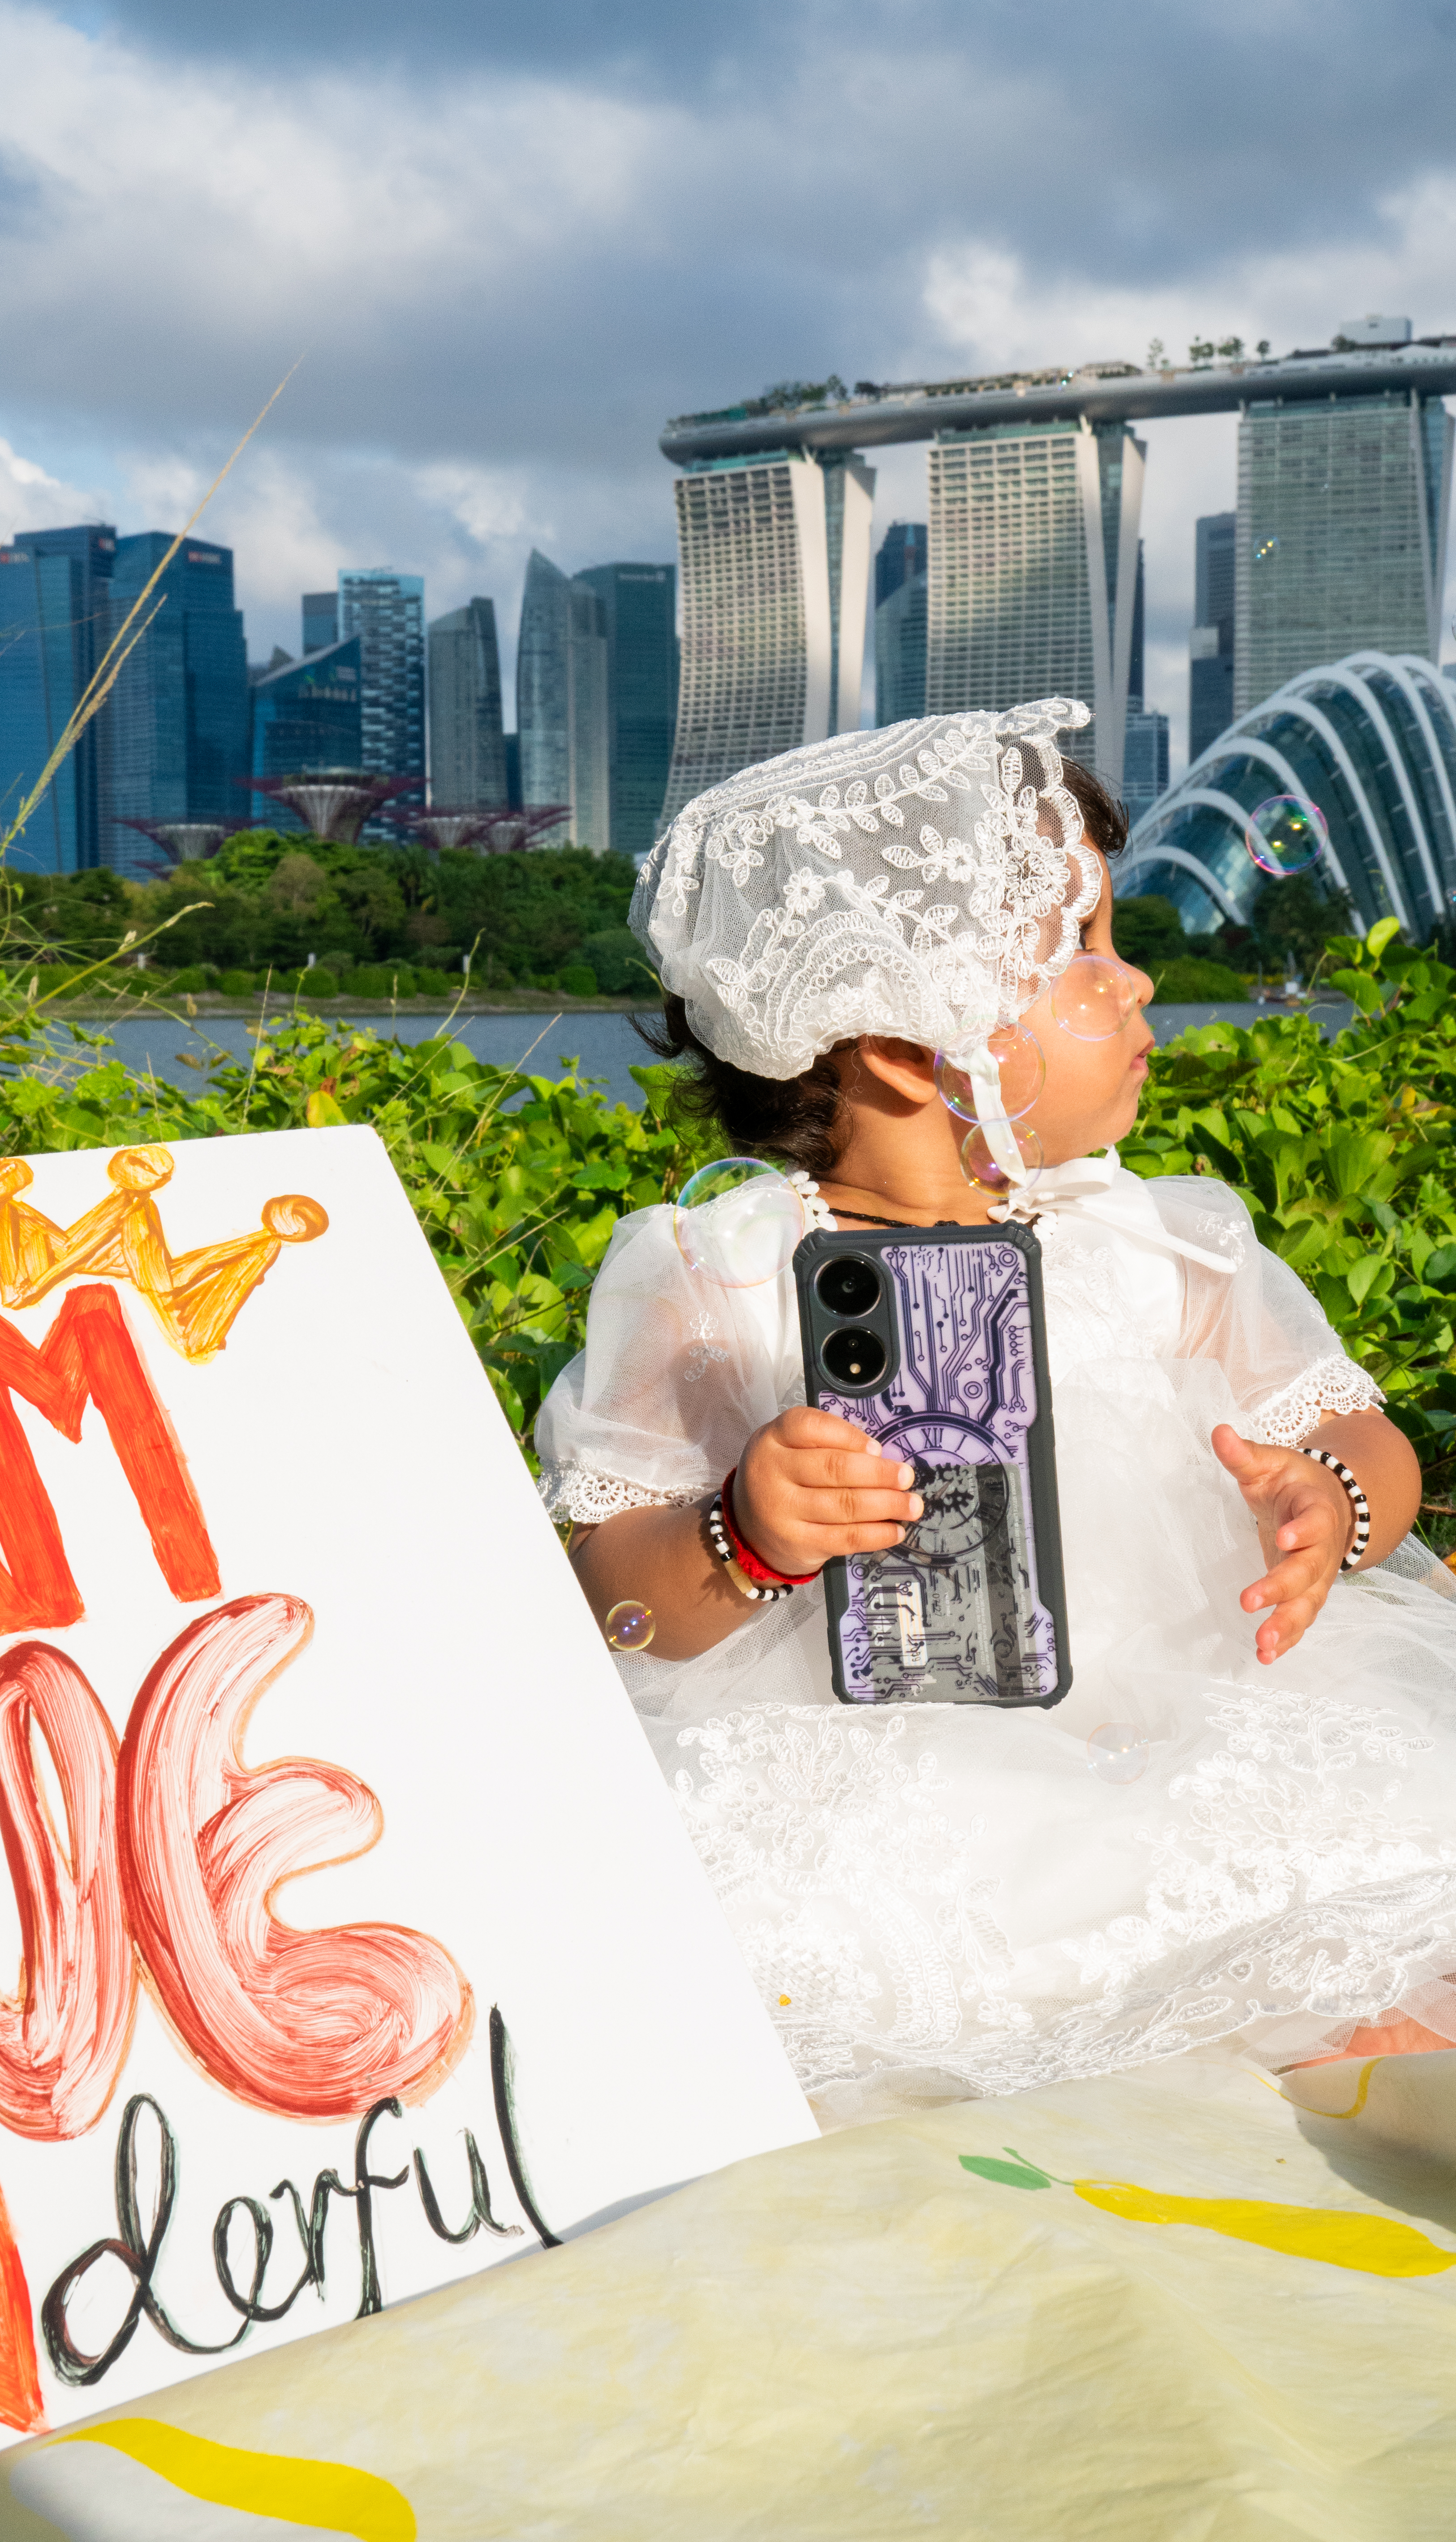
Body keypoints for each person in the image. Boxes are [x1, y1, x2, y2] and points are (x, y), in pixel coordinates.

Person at [536, 700, 1456, 2122]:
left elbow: (1360, 1439)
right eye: (1079, 949)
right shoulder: (714, 1281)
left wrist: (1328, 1502)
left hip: (1195, 1725)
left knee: (1367, 1869)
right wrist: (740, 1533)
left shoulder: (1163, 1249)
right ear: (905, 1045)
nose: (1135, 984)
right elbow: (614, 1600)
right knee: (815, 1941)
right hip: (891, 1772)